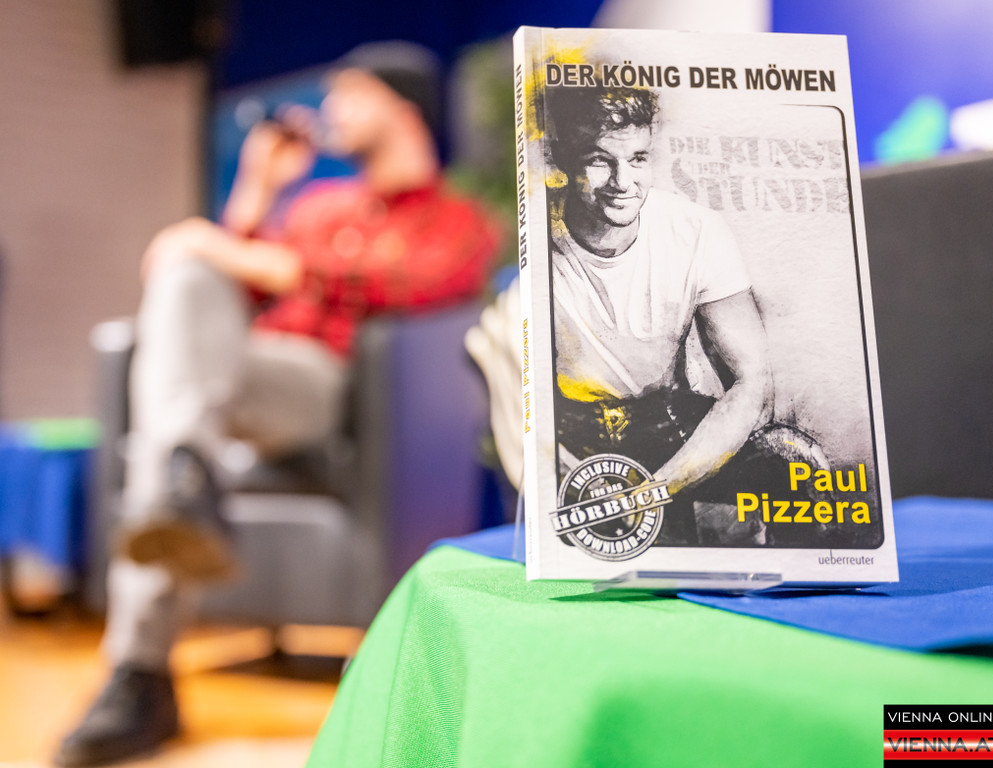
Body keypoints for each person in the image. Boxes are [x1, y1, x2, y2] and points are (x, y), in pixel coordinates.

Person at [55, 42, 498, 767]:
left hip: (335, 391)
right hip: (240, 382)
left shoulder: (458, 219)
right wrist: (256, 191)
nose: (332, 110)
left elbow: (402, 283)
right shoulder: (315, 207)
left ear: (403, 109)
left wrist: (232, 252)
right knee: (189, 283)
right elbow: (222, 293)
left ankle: (143, 659)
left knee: (194, 269)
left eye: (351, 95)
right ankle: (177, 508)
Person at [547, 84, 820, 548]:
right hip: (569, 435)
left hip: (665, 422)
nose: (622, 182)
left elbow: (752, 382)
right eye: (599, 161)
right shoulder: (535, 239)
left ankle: (800, 587)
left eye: (637, 158)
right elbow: (522, 405)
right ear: (563, 160)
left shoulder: (696, 229)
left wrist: (654, 492)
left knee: (793, 460)